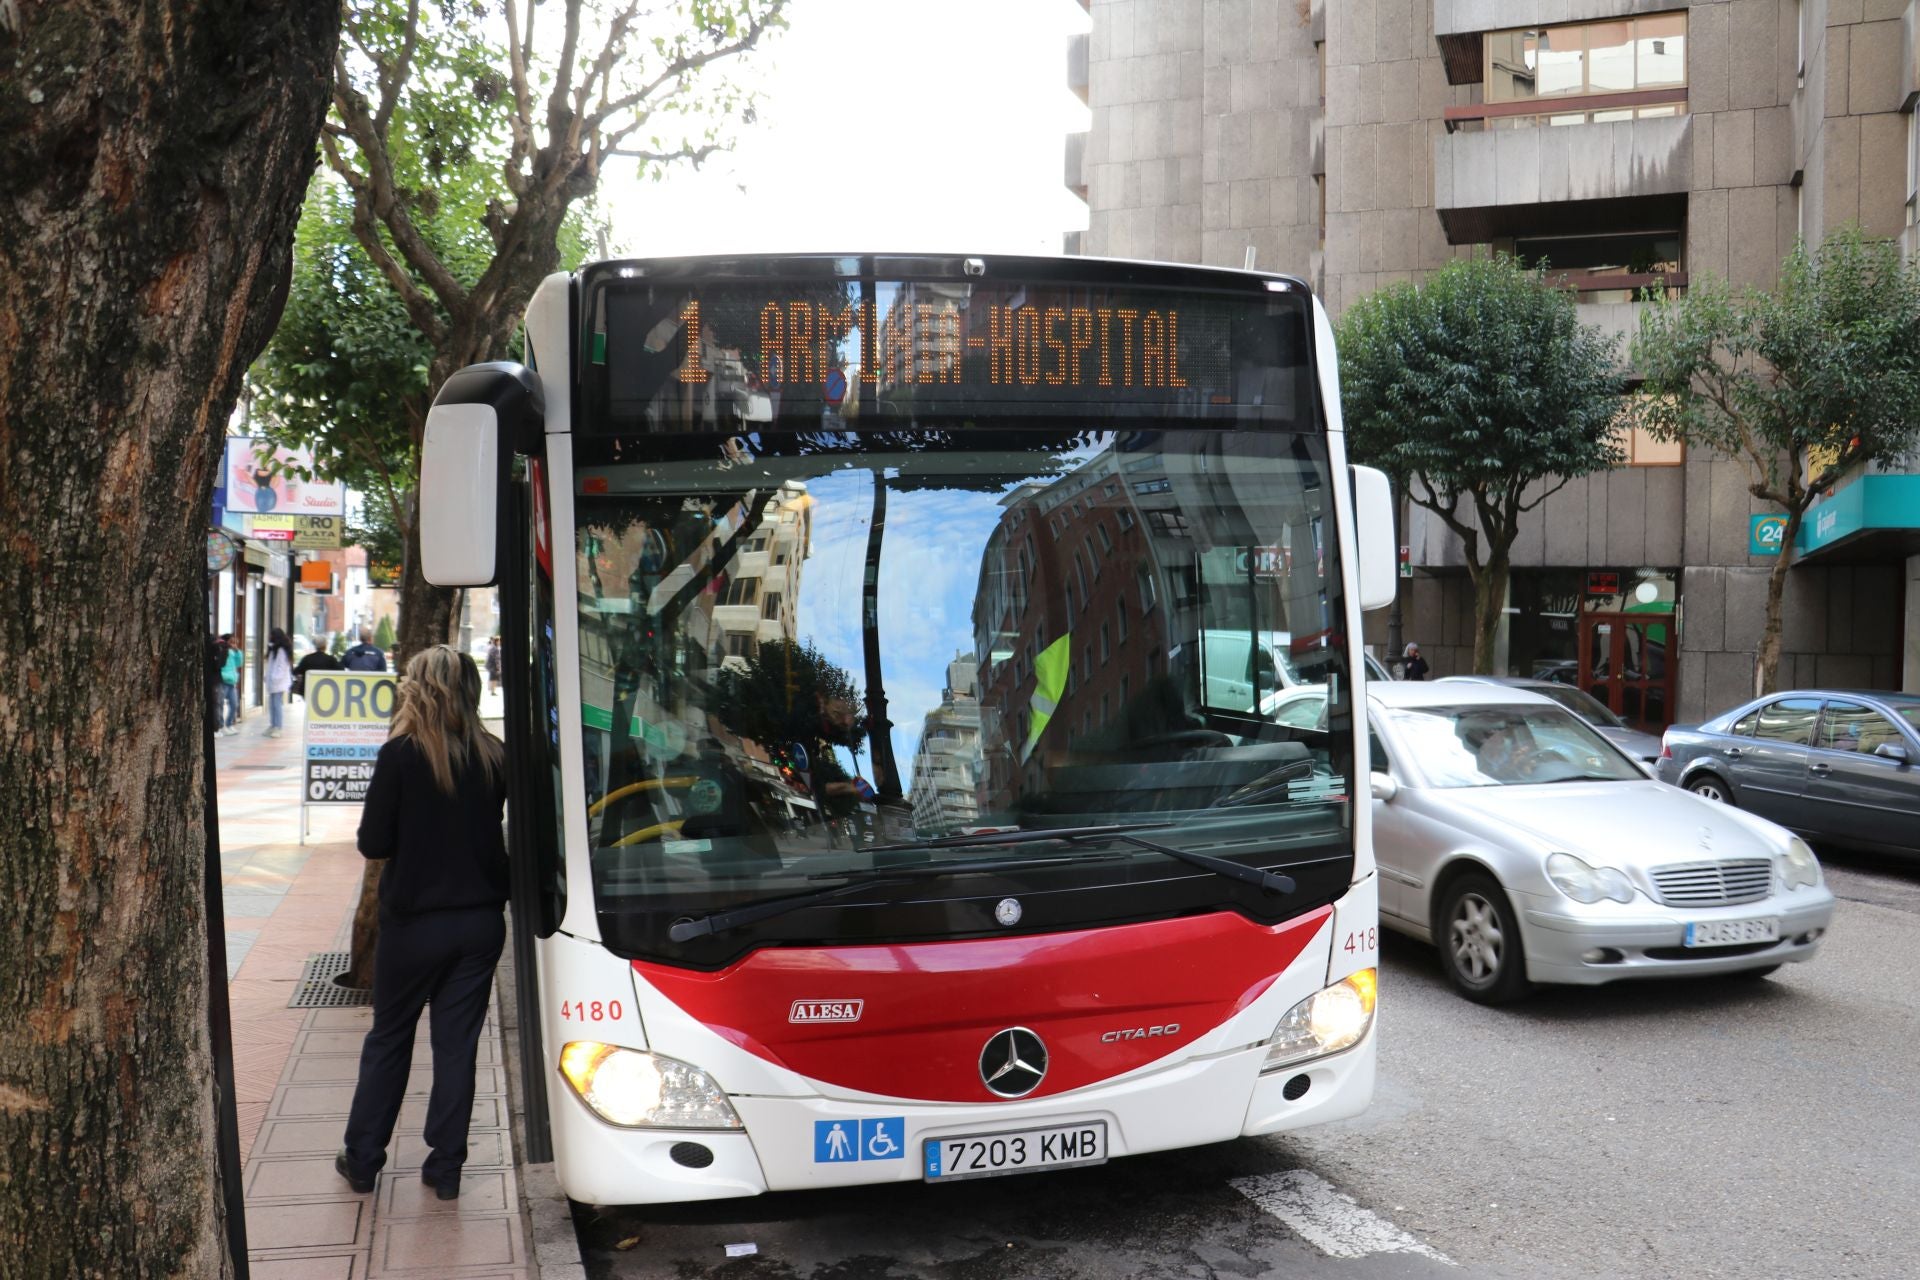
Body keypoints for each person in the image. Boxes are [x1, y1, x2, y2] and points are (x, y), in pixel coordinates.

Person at [337, 645, 507, 1203]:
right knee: (457, 1046)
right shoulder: (494, 756)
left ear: (417, 690)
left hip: (414, 926)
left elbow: (374, 843)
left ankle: (363, 1160)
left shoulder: (401, 757)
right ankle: (446, 1167)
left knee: (390, 1036)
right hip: (480, 923)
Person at [264, 628, 294, 738]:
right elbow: (271, 665)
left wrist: (273, 678)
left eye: (271, 635)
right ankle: (273, 725)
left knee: (276, 705)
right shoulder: (274, 649)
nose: (269, 637)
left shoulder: (281, 651)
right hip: (273, 682)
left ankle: (278, 727)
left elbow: (281, 667)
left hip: (278, 682)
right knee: (272, 705)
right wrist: (268, 677)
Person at [219, 634, 244, 735]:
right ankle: (221, 726)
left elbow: (239, 663)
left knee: (234, 704)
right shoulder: (222, 651)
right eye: (231, 642)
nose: (233, 644)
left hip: (232, 682)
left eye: (235, 642)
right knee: (219, 704)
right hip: (223, 681)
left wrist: (238, 651)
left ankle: (229, 724)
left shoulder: (234, 653)